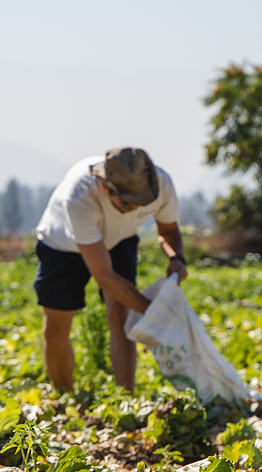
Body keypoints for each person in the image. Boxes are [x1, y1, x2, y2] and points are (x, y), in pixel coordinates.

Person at [33, 147, 187, 394]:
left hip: (120, 239)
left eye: (143, 199)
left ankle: (125, 398)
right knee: (57, 328)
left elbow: (168, 230)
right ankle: (64, 397)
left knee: (120, 315)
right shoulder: (79, 196)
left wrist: (177, 259)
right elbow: (105, 277)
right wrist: (154, 311)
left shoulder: (162, 184)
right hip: (63, 245)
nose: (137, 209)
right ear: (106, 188)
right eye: (129, 202)